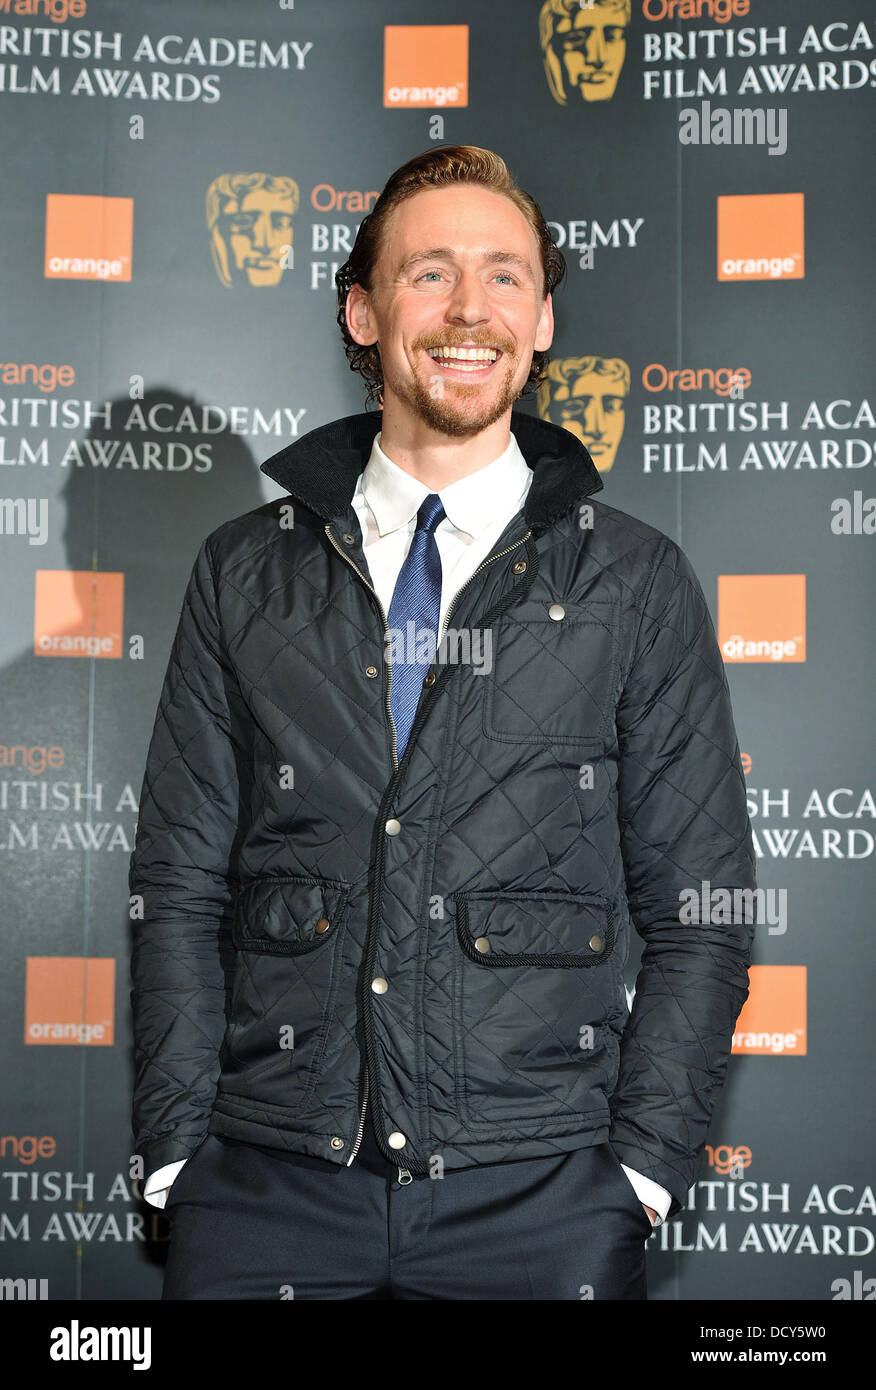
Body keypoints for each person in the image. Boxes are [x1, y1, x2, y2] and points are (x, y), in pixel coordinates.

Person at [129, 145, 756, 1300]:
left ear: (546, 317)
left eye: (506, 276)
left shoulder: (636, 581)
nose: (472, 309)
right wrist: (178, 1157)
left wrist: (642, 1178)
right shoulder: (242, 574)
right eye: (430, 275)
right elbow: (177, 883)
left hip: (543, 1201)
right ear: (363, 312)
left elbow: (700, 913)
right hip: (268, 1188)